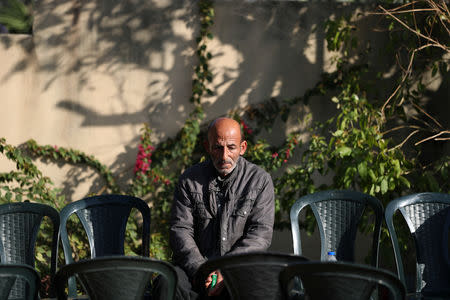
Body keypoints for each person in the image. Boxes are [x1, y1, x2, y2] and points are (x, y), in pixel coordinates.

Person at [154, 117, 275, 300]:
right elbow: (180, 230)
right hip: (196, 270)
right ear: (207, 146)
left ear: (243, 148)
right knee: (166, 283)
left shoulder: (259, 180)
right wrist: (202, 270)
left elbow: (260, 235)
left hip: (239, 270)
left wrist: (226, 270)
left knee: (260, 286)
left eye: (231, 147)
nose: (224, 155)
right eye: (218, 147)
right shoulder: (189, 180)